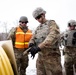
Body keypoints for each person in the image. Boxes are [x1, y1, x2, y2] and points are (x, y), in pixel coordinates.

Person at [28, 7, 63, 75]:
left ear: (43, 14)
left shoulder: (52, 23)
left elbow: (52, 36)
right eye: (36, 18)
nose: (38, 20)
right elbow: (33, 37)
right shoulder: (38, 28)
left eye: (39, 17)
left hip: (52, 57)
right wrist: (31, 43)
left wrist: (38, 47)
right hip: (41, 58)